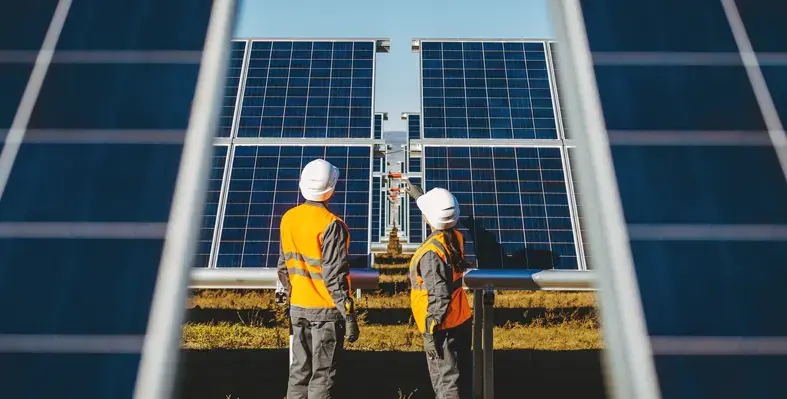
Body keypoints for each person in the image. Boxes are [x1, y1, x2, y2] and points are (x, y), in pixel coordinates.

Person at [277, 158, 360, 399]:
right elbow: (335, 277)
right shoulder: (332, 225)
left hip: (298, 309)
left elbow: (283, 267)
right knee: (322, 376)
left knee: (299, 372)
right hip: (325, 312)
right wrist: (350, 314)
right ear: (331, 188)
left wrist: (288, 299)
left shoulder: (288, 218)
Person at [406, 183, 472, 399]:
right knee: (458, 376)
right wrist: (419, 197)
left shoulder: (431, 253)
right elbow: (439, 214)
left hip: (442, 326)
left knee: (446, 381)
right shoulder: (455, 237)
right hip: (459, 318)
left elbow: (439, 296)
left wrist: (429, 331)